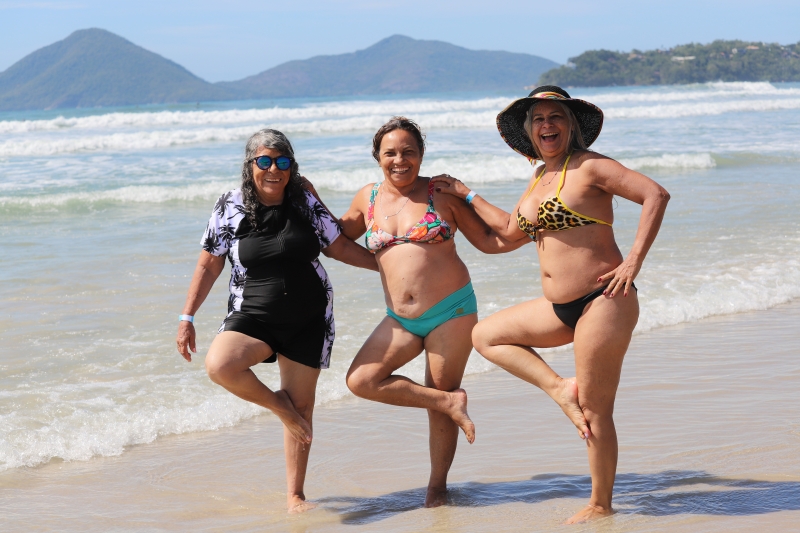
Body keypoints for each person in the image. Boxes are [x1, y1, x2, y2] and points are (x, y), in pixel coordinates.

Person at [433, 86, 670, 523]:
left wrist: (633, 261)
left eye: (555, 116)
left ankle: (600, 504)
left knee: (595, 410)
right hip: (560, 307)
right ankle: (560, 388)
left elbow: (655, 194)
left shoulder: (590, 166)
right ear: (529, 130)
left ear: (571, 124)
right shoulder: (541, 176)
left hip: (604, 300)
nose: (547, 124)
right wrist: (463, 197)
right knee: (486, 335)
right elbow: (506, 233)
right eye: (538, 119)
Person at [175, 129, 377, 513]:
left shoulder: (304, 200)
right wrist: (187, 317)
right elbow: (209, 263)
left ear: (292, 166)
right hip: (253, 314)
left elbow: (338, 246)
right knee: (221, 365)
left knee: (304, 406)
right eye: (264, 161)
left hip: (309, 317)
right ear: (250, 165)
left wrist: (389, 268)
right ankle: (279, 406)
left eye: (282, 162)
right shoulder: (230, 205)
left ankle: (295, 496)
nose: (273, 170)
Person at [327, 116, 523, 507]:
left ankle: (437, 489)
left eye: (409, 152)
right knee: (361, 379)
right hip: (399, 318)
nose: (400, 160)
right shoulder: (367, 198)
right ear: (377, 157)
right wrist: (307, 199)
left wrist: (534, 231)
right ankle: (448, 402)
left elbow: (489, 241)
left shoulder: (441, 194)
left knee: (440, 393)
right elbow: (335, 239)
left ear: (421, 155)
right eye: (390, 153)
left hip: (452, 311)